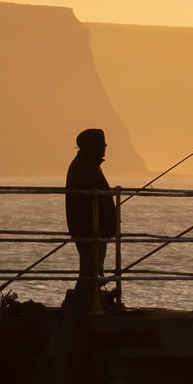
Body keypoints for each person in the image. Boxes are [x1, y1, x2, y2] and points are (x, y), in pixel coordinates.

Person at [65, 127, 119, 309]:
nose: (105, 146)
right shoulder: (86, 167)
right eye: (101, 143)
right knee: (90, 272)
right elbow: (91, 203)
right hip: (90, 231)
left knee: (93, 270)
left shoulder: (85, 165)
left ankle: (88, 306)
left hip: (92, 230)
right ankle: (79, 309)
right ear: (92, 146)